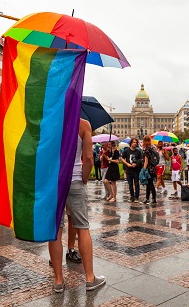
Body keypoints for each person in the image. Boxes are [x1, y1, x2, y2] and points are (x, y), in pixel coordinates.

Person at [48, 118, 106, 292]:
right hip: (74, 180)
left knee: (56, 230)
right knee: (82, 228)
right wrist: (84, 179)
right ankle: (90, 278)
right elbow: (88, 157)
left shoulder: (50, 120)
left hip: (54, 182)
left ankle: (59, 281)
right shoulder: (83, 124)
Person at [121, 138, 142, 202]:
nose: (135, 144)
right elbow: (122, 158)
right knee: (130, 184)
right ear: (131, 143)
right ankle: (132, 196)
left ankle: (137, 196)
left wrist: (136, 163)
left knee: (136, 184)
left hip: (136, 170)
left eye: (136, 142)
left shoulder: (138, 151)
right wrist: (127, 164)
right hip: (129, 169)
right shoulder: (126, 151)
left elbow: (141, 159)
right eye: (134, 142)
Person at [141, 136, 157, 204]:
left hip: (148, 169)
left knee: (150, 184)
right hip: (153, 168)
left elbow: (146, 161)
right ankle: (147, 198)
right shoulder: (152, 148)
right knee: (149, 184)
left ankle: (153, 199)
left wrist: (144, 169)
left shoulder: (147, 150)